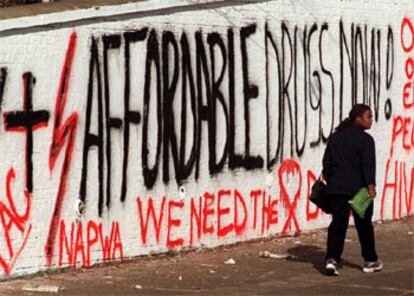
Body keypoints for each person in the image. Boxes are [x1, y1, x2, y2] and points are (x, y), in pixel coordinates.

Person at [322, 104, 383, 276]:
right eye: (368, 117)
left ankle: (332, 259)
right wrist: (371, 186)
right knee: (363, 225)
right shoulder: (366, 140)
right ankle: (370, 261)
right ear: (358, 118)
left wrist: (332, 181)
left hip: (338, 189)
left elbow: (326, 163)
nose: (371, 120)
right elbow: (368, 165)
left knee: (338, 225)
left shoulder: (335, 138)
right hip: (359, 191)